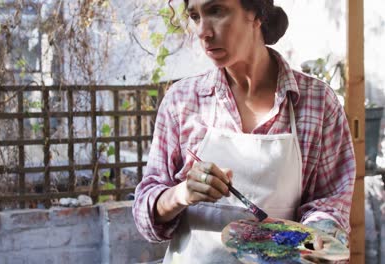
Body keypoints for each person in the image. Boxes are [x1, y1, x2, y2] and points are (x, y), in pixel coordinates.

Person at [132, 0, 356, 263]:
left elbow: (329, 204)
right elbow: (145, 218)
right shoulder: (182, 102)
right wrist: (181, 193)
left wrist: (317, 239)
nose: (203, 31)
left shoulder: (317, 104)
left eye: (216, 10)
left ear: (256, 13)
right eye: (195, 16)